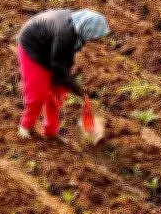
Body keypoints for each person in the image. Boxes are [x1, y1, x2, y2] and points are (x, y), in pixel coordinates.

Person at [16, 9, 110, 139]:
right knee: (37, 93)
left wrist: (68, 82)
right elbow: (58, 64)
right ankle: (25, 126)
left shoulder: (78, 28)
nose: (94, 40)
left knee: (58, 93)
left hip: (52, 49)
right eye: (93, 36)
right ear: (87, 28)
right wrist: (75, 87)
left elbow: (66, 57)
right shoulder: (65, 34)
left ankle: (51, 132)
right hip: (33, 48)